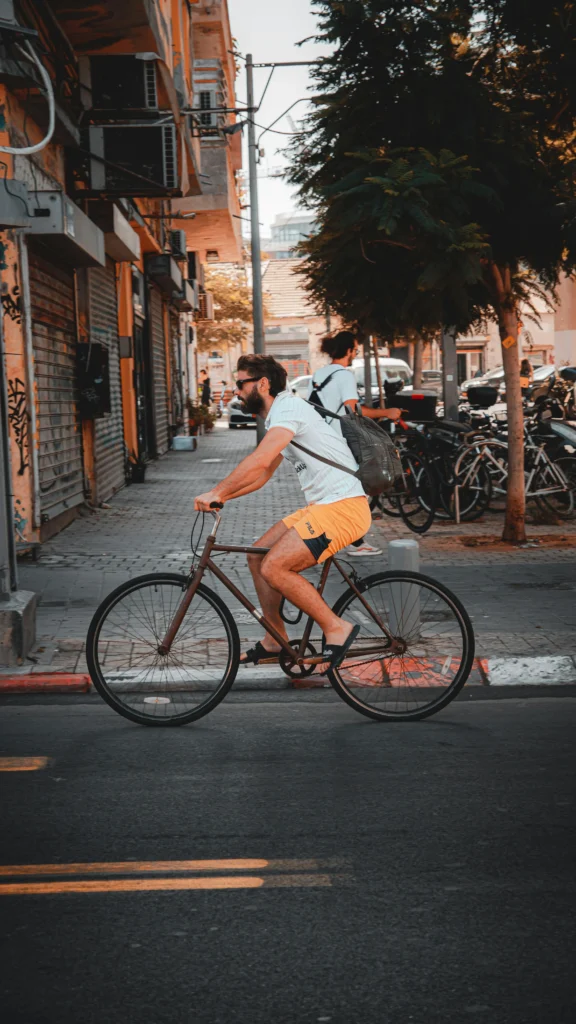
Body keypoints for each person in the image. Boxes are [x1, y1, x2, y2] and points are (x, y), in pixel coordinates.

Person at [194, 354, 372, 669]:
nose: (235, 391)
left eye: (240, 384)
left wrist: (217, 490)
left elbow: (261, 459)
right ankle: (275, 638)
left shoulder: (288, 409)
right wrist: (224, 497)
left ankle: (336, 628)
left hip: (342, 508)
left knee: (275, 568)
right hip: (323, 507)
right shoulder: (283, 415)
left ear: (262, 384)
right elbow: (263, 475)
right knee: (257, 555)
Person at [308, 330, 402, 556]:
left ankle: (335, 539)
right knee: (358, 488)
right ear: (348, 350)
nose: (355, 353)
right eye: (356, 350)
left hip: (322, 439)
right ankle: (354, 542)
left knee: (336, 490)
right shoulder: (344, 375)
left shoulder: (319, 374)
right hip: (341, 441)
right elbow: (353, 410)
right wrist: (386, 412)